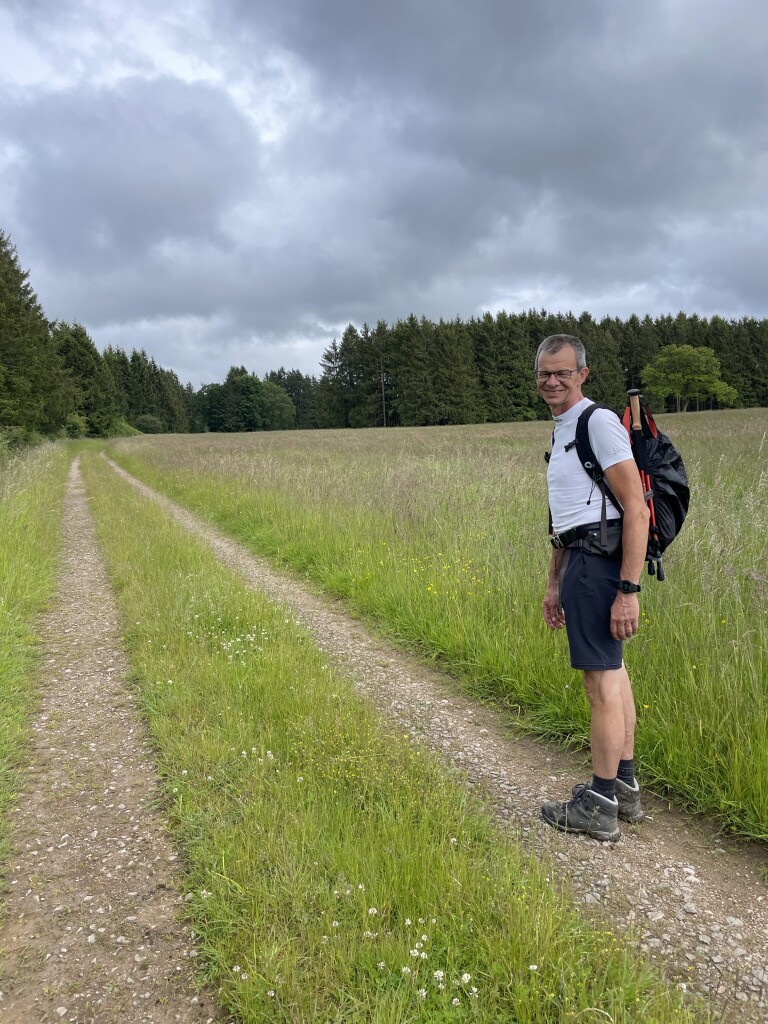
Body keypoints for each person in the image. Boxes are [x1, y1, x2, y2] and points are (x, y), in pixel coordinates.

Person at [536, 334, 649, 842]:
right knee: (614, 674)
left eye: (562, 372)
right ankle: (623, 788)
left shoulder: (595, 422)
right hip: (579, 562)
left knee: (599, 685)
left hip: (598, 569)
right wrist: (553, 584)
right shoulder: (564, 429)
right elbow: (567, 520)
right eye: (544, 373)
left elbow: (636, 509)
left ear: (582, 374)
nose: (552, 381)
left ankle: (599, 806)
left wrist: (628, 590)